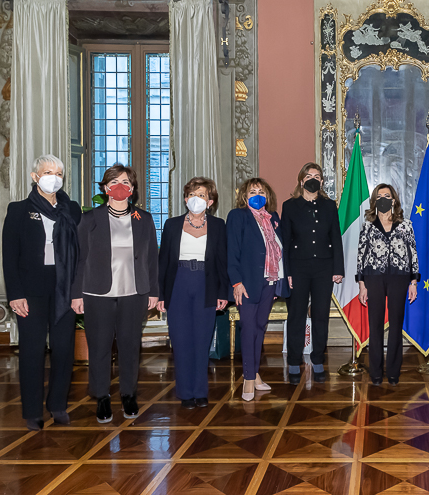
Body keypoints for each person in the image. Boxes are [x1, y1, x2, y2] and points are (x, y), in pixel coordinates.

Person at [71, 164, 159, 423]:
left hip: (134, 292)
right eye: (114, 181)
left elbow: (152, 258)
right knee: (99, 346)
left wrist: (153, 290)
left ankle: (129, 394)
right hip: (97, 292)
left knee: (130, 345)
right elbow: (79, 259)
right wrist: (76, 294)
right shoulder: (90, 219)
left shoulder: (144, 219)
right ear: (106, 187)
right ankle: (102, 397)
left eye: (125, 181)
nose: (120, 186)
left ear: (132, 189)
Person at [2, 155, 82, 430]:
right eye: (47, 171)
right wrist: (15, 294)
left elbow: (80, 254)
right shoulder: (18, 210)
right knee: (32, 352)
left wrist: (78, 291)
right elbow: (9, 257)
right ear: (35, 176)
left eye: (58, 172)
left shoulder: (71, 209)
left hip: (64, 289)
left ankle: (58, 405)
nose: (54, 177)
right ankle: (33, 411)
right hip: (30, 292)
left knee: (63, 350)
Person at [157, 178, 229, 409]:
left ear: (210, 201)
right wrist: (160, 295)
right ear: (186, 199)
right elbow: (163, 262)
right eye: (191, 194)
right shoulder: (171, 224)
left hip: (206, 284)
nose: (196, 199)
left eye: (202, 195)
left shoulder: (218, 225)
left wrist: (222, 293)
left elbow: (222, 262)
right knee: (180, 340)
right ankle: (185, 392)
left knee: (202, 339)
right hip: (178, 282)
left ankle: (200, 391)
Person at [281, 163, 344, 384]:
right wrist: (286, 272)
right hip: (297, 267)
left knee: (320, 315)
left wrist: (338, 268)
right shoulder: (289, 206)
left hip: (324, 267)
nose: (313, 179)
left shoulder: (329, 206)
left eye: (317, 176)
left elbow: (335, 237)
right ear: (301, 180)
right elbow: (285, 242)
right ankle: (294, 361)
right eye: (309, 176)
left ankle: (318, 360)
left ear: (322, 182)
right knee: (296, 314)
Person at [227, 178, 290, 399]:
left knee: (261, 327)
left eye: (261, 191)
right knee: (249, 328)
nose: (257, 195)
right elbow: (231, 251)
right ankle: (248, 379)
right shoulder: (238, 216)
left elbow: (281, 249)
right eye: (252, 191)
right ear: (244, 196)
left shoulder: (273, 218)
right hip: (246, 283)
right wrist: (236, 282)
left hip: (269, 282)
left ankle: (255, 374)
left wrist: (282, 279)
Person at [356, 184, 419, 385]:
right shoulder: (367, 225)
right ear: (375, 201)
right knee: (375, 326)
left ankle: (393, 372)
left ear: (394, 200)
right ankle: (375, 372)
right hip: (373, 277)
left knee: (395, 325)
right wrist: (362, 285)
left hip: (399, 277)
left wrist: (414, 281)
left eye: (387, 196)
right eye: (380, 196)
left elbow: (413, 253)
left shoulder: (406, 224)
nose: (384, 199)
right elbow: (361, 255)